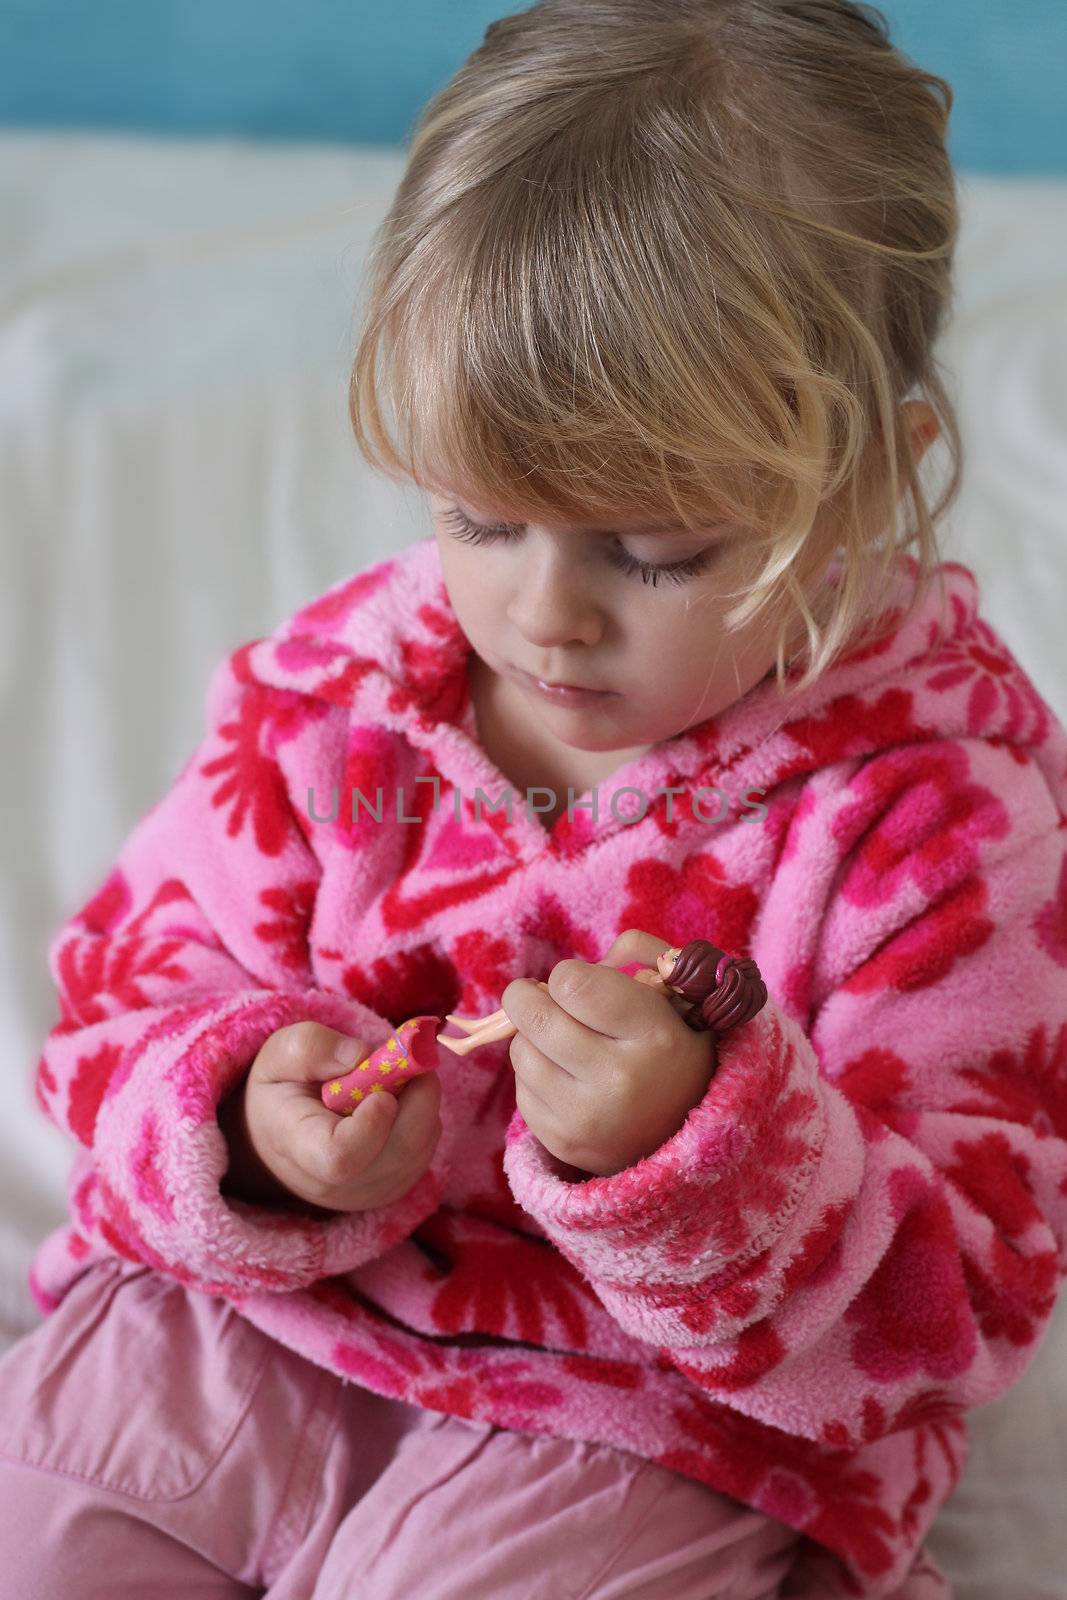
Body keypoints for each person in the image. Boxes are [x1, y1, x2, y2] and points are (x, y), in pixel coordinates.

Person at [1, 2, 1065, 1596]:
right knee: (45, 1506)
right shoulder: (337, 700)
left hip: (657, 1420)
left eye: (657, 553)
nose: (546, 614)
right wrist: (250, 1123)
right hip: (252, 1321)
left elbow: (967, 1294)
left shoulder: (941, 816)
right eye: (477, 520)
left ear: (868, 475)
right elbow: (121, 1003)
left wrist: (691, 1152)